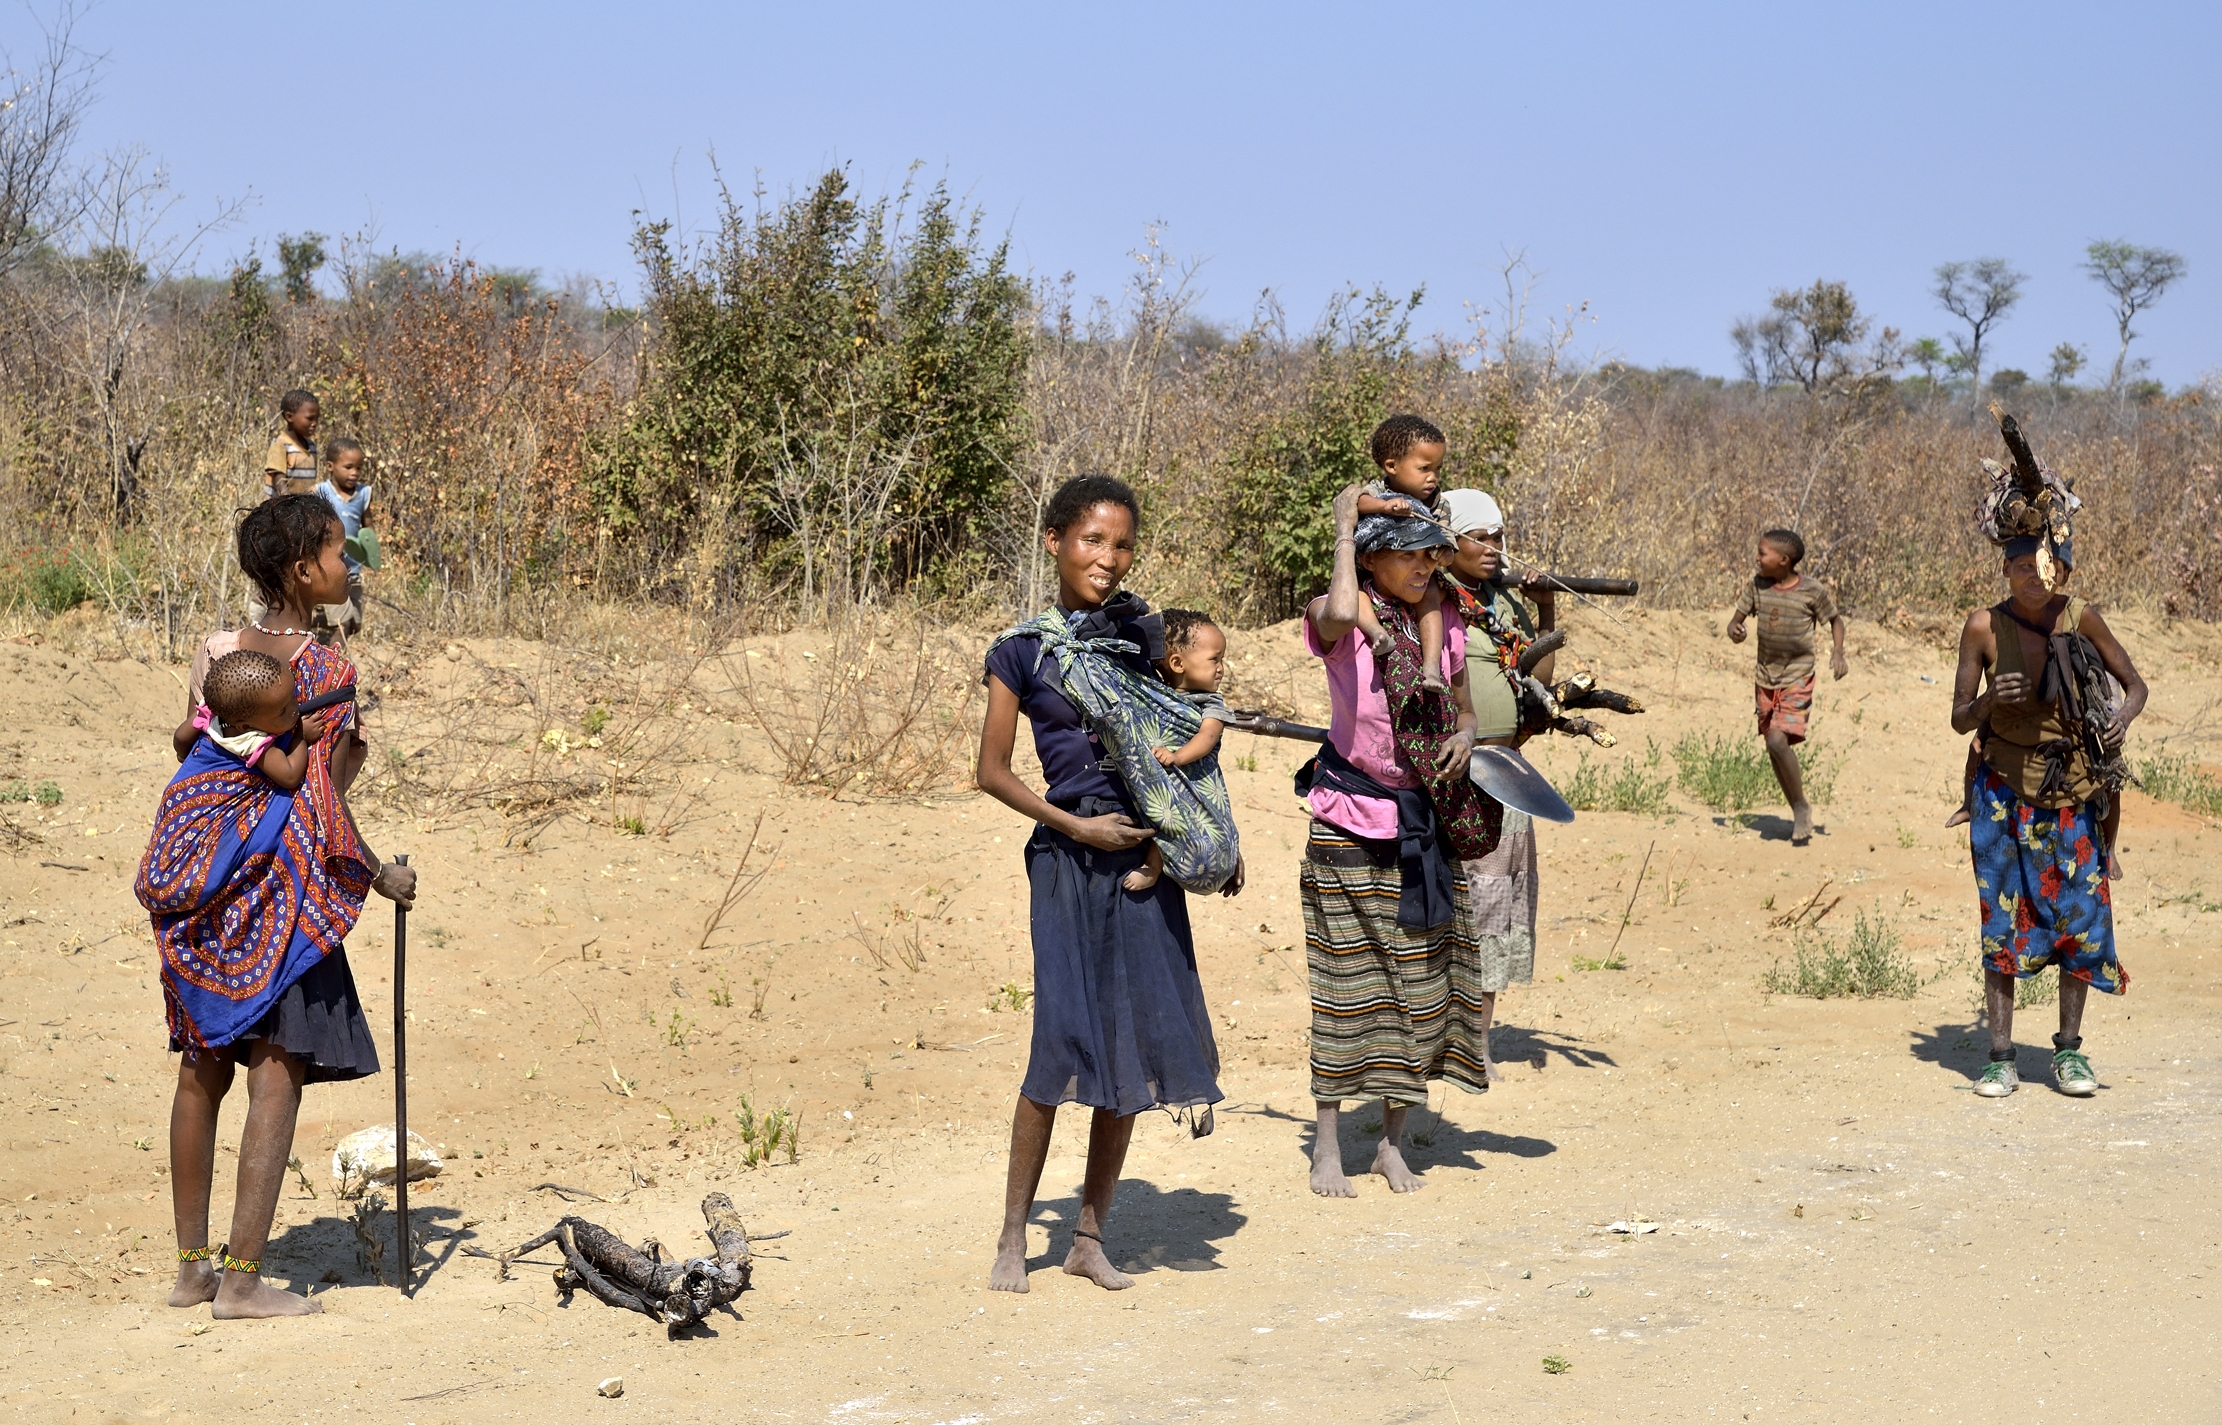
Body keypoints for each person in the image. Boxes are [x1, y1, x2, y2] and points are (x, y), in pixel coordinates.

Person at [137, 493, 418, 1320]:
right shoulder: (324, 674)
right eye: (336, 552)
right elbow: (323, 798)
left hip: (204, 900)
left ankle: (192, 1270)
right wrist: (377, 874)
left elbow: (196, 752)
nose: (348, 564)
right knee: (275, 1074)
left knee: (201, 1070)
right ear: (303, 570)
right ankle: (243, 1281)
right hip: (285, 900)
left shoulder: (218, 652)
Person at [978, 475, 1243, 1294]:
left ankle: (1089, 1237)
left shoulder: (1141, 634)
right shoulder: (1021, 651)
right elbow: (992, 771)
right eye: (1093, 539)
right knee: (1058, 1042)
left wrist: (1213, 837)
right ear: (1054, 541)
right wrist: (1077, 827)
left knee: (1132, 1043)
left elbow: (1189, 724)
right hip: (1068, 857)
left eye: (1122, 544)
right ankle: (1014, 1234)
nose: (1109, 557)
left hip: (1143, 855)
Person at [1299, 486, 1497, 1197]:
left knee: (1418, 990)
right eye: (1408, 556)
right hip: (1347, 824)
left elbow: (1466, 708)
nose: (1423, 567)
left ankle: (1389, 1144)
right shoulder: (1339, 619)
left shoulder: (1442, 627)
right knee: (1345, 991)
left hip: (1423, 827)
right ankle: (1327, 1146)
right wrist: (1344, 527)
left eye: (1430, 557)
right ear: (1371, 561)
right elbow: (1339, 607)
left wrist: (1466, 737)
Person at [1951, 450, 2145, 1098]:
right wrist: (1989, 701)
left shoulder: (2080, 616)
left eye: (2043, 567)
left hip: (2073, 791)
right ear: (2004, 569)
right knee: (2001, 920)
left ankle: (2069, 1053)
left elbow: (2135, 686)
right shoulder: (1983, 626)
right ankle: (2000, 1056)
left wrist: (2119, 721)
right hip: (2002, 792)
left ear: (2061, 569)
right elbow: (1958, 717)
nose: (2031, 578)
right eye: (2018, 567)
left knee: (2080, 919)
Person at [1436, 489, 1552, 1071]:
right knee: (1465, 902)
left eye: (1498, 536)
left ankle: (1477, 1041)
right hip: (1459, 772)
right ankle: (1444, 1037)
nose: (1491, 547)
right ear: (1449, 540)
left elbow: (1538, 686)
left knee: (1499, 905)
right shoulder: (1433, 600)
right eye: (1477, 536)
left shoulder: (1502, 604)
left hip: (1509, 773)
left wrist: (1545, 610)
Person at [1725, 529, 1847, 845]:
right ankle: (1797, 806)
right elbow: (1735, 621)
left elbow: (1835, 621)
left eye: (1762, 553)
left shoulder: (1811, 591)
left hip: (1797, 676)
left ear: (1783, 560)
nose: (1757, 558)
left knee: (1777, 740)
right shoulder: (1757, 587)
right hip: (1765, 678)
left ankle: (1801, 806)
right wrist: (1735, 629)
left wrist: (1838, 652)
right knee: (1772, 745)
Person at [1122, 608, 1234, 893]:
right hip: (1161, 787)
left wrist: (1177, 757)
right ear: (1177, 663)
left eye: (1222, 659)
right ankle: (1154, 864)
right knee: (1164, 819)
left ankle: (1155, 866)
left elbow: (1208, 736)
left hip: (1195, 784)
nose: (1221, 668)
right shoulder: (1155, 694)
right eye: (1214, 659)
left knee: (1193, 821)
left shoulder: (1211, 704)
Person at [1354, 415, 1452, 692]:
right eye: (1424, 468)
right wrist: (1385, 507)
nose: (1433, 477)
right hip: (1370, 573)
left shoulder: (1439, 504)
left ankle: (1431, 667)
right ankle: (1377, 632)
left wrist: (1443, 554)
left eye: (1438, 468)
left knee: (1430, 594)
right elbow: (1358, 502)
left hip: (1420, 577)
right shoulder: (1378, 491)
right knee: (1356, 593)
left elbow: (1448, 545)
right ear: (1391, 466)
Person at [170, 649, 334, 792]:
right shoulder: (251, 741)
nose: (294, 709)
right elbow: (290, 777)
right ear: (246, 726)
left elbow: (180, 738)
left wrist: (184, 756)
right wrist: (301, 737)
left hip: (177, 790)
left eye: (293, 696)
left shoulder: (211, 710)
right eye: (282, 711)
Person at [313, 437, 372, 638]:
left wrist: (370, 556)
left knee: (355, 624)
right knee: (342, 624)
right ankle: (335, 659)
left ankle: (314, 622)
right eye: (348, 467)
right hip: (332, 570)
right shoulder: (320, 492)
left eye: (359, 468)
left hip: (354, 570)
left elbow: (368, 531)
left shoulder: (363, 494)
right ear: (330, 466)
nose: (354, 472)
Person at [262, 390, 321, 501]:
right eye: (310, 418)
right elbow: (279, 481)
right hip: (282, 505)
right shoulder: (280, 445)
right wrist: (288, 503)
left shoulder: (311, 447)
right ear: (289, 417)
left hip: (303, 506)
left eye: (317, 418)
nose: (315, 423)